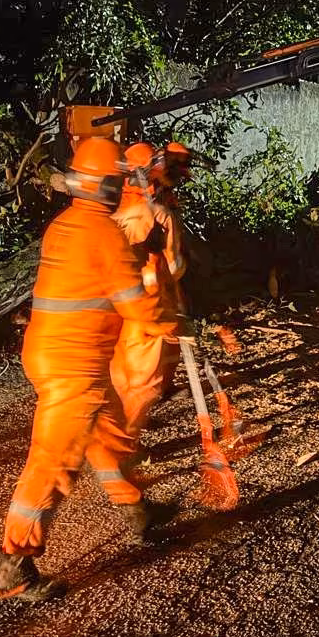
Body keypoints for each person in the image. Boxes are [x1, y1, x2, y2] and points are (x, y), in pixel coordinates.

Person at [0, 137, 178, 602]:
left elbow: (95, 275)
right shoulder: (104, 233)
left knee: (108, 432)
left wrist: (141, 252)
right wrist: (174, 323)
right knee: (53, 463)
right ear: (109, 184)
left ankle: (135, 508)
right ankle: (13, 569)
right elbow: (135, 305)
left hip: (50, 353)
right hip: (75, 366)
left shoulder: (64, 225)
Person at [110, 142, 185, 446]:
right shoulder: (161, 216)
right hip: (151, 304)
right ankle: (123, 446)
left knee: (122, 371)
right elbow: (175, 267)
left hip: (120, 303)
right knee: (145, 382)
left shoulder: (112, 214)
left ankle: (116, 427)